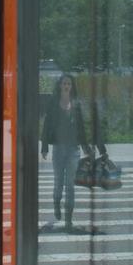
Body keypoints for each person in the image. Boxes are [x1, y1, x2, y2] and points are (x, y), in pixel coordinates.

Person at [40, 74, 94, 231]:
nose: (66, 86)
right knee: (58, 183)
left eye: (69, 84)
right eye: (64, 83)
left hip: (73, 150)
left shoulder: (76, 104)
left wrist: (86, 147)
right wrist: (44, 147)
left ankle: (68, 219)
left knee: (70, 185)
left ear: (72, 86)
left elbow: (81, 128)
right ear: (60, 85)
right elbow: (47, 126)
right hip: (58, 148)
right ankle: (57, 204)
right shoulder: (53, 103)